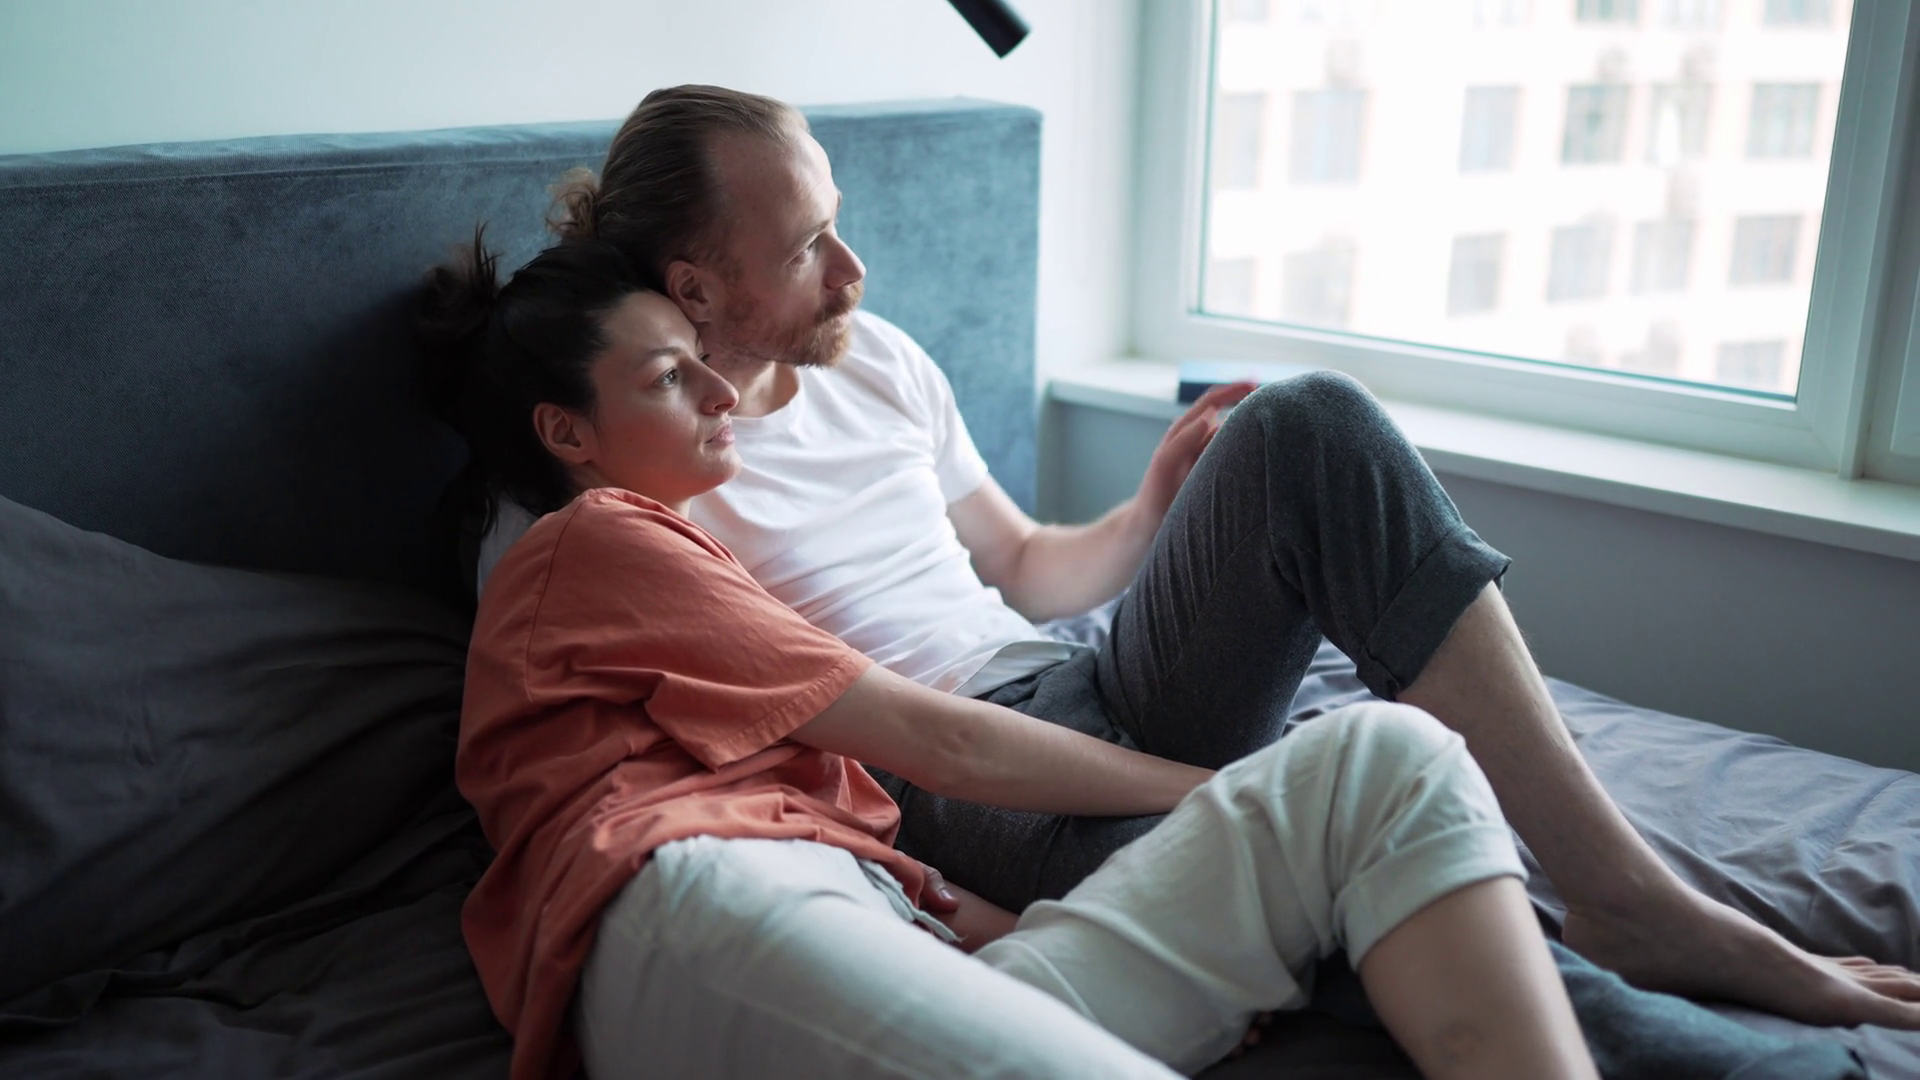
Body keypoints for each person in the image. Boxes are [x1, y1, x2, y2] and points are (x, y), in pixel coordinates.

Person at [472, 83, 1920, 1031]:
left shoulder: (881, 360)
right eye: (807, 247)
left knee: (1308, 423)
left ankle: (1625, 894)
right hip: (962, 784)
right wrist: (1218, 791)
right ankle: (1710, 1031)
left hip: (1079, 676)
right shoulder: (622, 496)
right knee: (1356, 887)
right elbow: (643, 743)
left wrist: (1151, 517)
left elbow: (1023, 567)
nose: (854, 272)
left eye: (838, 226)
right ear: (695, 286)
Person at [421, 235, 1599, 1080]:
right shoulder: (588, 542)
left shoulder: (694, 570)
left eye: (701, 359)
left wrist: (1042, 926)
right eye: (669, 376)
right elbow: (936, 742)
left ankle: (1620, 910)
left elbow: (875, 841)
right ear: (565, 432)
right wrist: (1217, 793)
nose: (722, 389)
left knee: (1390, 759)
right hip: (696, 902)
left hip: (880, 917)